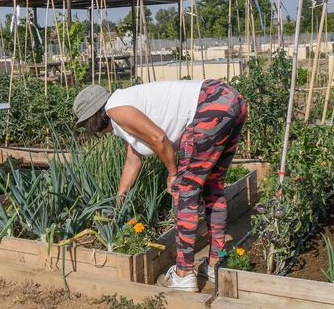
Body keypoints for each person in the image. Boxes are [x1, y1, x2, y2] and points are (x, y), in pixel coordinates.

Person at [72, 79, 247, 291]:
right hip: (228, 99)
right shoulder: (126, 107)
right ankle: (214, 264)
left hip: (209, 105)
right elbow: (133, 159)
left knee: (184, 192)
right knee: (213, 186)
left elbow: (160, 139)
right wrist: (118, 201)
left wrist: (173, 174)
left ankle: (183, 274)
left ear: (94, 117)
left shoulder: (116, 108)